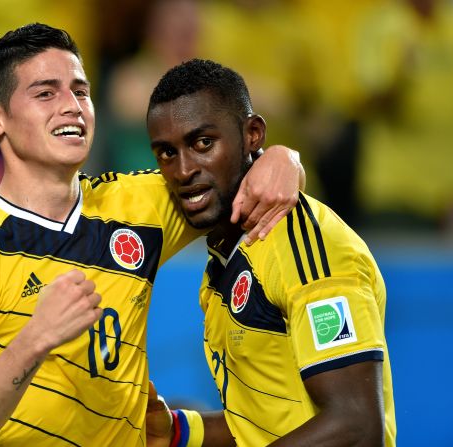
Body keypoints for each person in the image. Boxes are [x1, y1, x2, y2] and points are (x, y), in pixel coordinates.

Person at [0, 24, 305, 446]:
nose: (72, 107)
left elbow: (232, 168)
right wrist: (37, 339)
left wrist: (281, 157)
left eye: (80, 91)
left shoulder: (139, 202)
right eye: (46, 93)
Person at [144, 59, 395, 446]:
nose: (182, 170)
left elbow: (356, 426)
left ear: (252, 134)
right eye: (166, 153)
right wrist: (178, 431)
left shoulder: (306, 244)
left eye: (202, 143)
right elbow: (261, 427)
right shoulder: (226, 261)